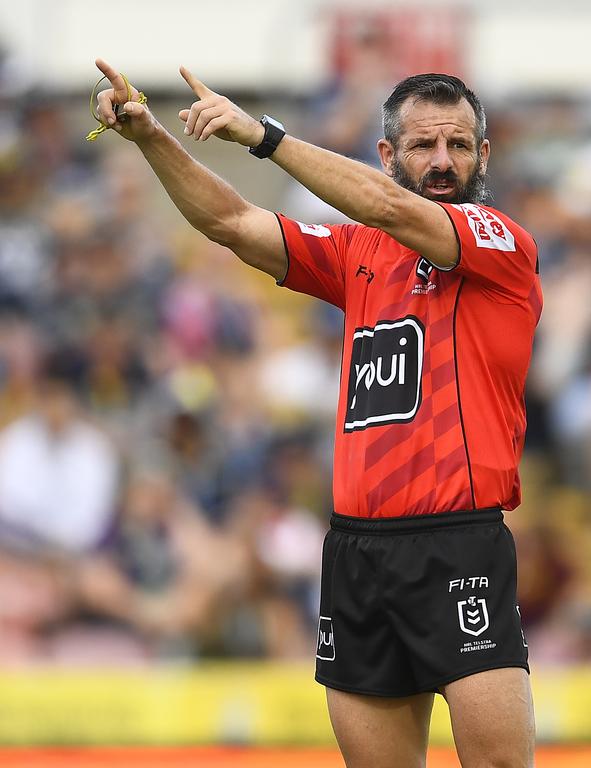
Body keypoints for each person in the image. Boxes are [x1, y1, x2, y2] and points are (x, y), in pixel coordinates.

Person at [92, 58, 541, 767]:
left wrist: (263, 136)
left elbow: (387, 206)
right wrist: (151, 137)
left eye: (458, 145)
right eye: (423, 146)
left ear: (484, 154)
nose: (443, 161)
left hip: (456, 544)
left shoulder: (500, 242)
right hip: (357, 551)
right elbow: (232, 221)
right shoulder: (359, 250)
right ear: (388, 154)